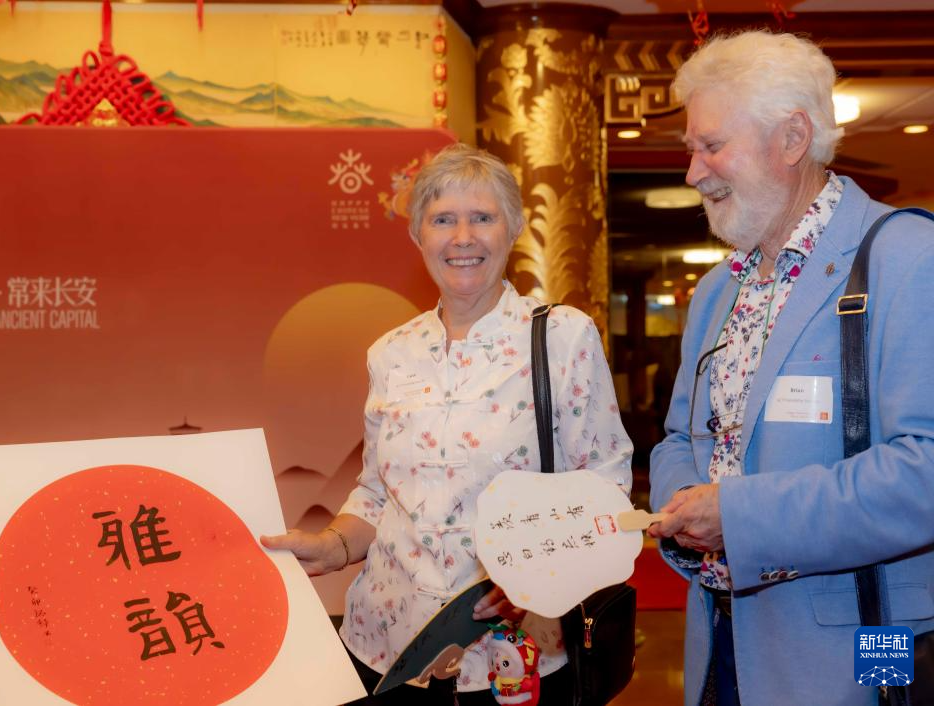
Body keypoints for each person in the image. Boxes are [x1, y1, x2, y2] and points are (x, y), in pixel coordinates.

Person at [263, 143, 633, 704]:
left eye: (482, 217)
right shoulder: (392, 353)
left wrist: (539, 575)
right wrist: (332, 546)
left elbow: (607, 486)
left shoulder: (562, 336)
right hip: (386, 643)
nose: (463, 237)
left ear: (513, 229)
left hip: (512, 654)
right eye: (442, 220)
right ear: (419, 236)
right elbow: (378, 492)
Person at [647, 30, 934, 706]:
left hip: (865, 644)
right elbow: (679, 438)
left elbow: (924, 470)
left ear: (793, 138)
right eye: (691, 149)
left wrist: (739, 517)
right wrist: (687, 506)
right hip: (720, 640)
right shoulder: (718, 289)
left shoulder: (908, 259)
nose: (693, 173)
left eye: (711, 146)